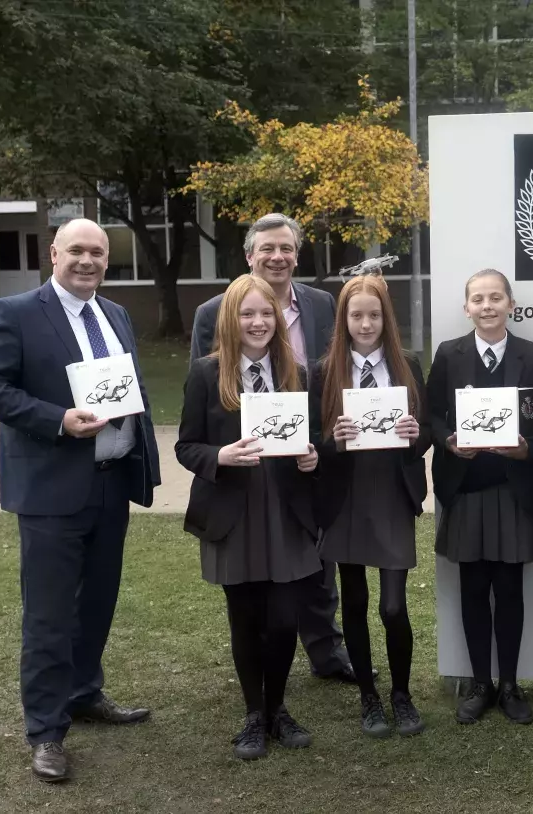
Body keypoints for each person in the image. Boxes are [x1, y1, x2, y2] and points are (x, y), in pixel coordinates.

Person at [0, 219, 161, 782]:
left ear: (108, 259)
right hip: (52, 488)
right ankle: (47, 731)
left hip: (110, 483)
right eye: (76, 250)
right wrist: (57, 420)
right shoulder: (17, 312)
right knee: (50, 614)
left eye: (97, 252)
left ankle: (83, 692)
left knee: (97, 602)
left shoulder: (115, 313)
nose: (87, 260)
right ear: (53, 254)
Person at [189, 213, 356, 684]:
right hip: (244, 469)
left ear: (297, 255)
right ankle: (261, 674)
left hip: (309, 451)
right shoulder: (213, 312)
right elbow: (205, 396)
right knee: (258, 584)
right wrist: (224, 454)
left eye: (285, 248)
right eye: (267, 249)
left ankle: (326, 651)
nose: (277, 256)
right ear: (249, 256)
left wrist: (323, 447)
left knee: (318, 563)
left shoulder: (324, 303)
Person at [175, 275, 321, 760]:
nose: (258, 323)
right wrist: (220, 456)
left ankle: (279, 708)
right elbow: (186, 445)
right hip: (233, 513)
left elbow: (317, 442)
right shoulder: (205, 373)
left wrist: (312, 458)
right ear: (230, 320)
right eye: (247, 314)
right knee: (246, 620)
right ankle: (255, 714)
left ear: (277, 320)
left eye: (266, 314)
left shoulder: (298, 371)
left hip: (286, 512)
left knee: (283, 621)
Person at [427, 269, 533, 726]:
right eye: (478, 299)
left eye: (495, 298)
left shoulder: (532, 356)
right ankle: (481, 683)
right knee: (474, 590)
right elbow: (432, 414)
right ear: (466, 308)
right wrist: (448, 441)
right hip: (466, 490)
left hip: (512, 489)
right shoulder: (449, 354)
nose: (487, 306)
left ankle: (512, 683)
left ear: (510, 305)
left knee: (511, 591)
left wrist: (527, 448)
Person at [310, 273, 430, 737]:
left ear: (387, 319)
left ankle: (402, 694)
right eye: (356, 315)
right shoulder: (324, 371)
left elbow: (425, 432)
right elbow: (311, 442)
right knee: (355, 603)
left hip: (390, 494)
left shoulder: (407, 366)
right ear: (344, 319)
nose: (366, 323)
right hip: (346, 497)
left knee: (393, 608)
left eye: (374, 315)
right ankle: (369, 698)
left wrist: (415, 435)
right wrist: (332, 440)